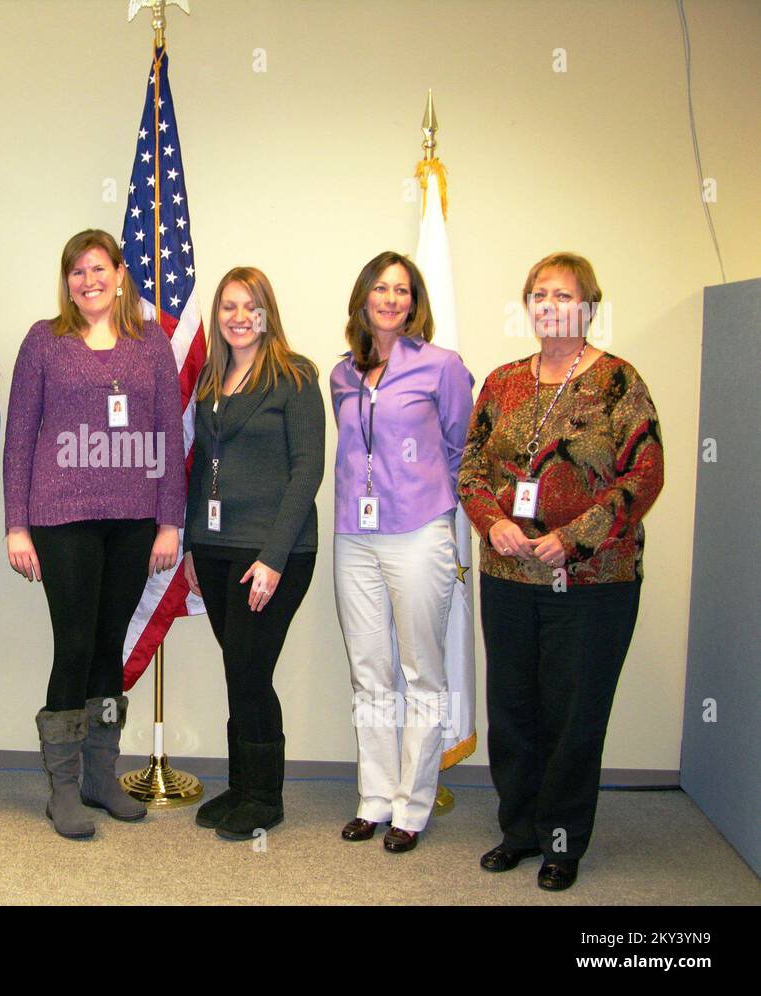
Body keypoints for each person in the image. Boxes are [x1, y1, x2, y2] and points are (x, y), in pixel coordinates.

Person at [459, 252, 663, 891]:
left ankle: (561, 841)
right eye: (539, 295)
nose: (549, 306)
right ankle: (518, 831)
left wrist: (572, 538)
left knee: (572, 713)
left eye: (563, 296)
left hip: (593, 582)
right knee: (513, 709)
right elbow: (470, 468)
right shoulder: (501, 383)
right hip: (508, 578)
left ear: (589, 307)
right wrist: (493, 522)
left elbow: (645, 474)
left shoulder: (619, 382)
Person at [3, 228, 184, 839]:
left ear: (119, 273)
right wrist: (16, 526)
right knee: (75, 645)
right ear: (67, 282)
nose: (89, 280)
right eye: (77, 271)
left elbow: (168, 433)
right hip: (62, 517)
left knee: (110, 647)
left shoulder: (151, 341)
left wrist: (169, 521)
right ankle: (61, 787)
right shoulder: (44, 341)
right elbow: (19, 436)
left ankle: (101, 776)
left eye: (98, 268)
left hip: (133, 520)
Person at [329, 251, 474, 853]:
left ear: (415, 302)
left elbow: (460, 447)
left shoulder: (442, 366)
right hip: (354, 537)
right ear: (363, 298)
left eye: (402, 290)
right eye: (380, 289)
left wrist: (424, 495)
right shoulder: (340, 374)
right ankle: (374, 796)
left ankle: (412, 806)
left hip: (418, 533)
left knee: (421, 673)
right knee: (369, 674)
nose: (390, 299)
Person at [181, 267, 325, 840]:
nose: (238, 317)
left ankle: (265, 797)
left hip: (273, 552)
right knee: (239, 670)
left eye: (251, 307)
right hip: (215, 549)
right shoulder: (213, 379)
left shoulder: (294, 376)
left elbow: (306, 469)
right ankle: (242, 786)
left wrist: (272, 556)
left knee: (249, 669)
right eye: (229, 307)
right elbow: (199, 473)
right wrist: (193, 544)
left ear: (268, 314)